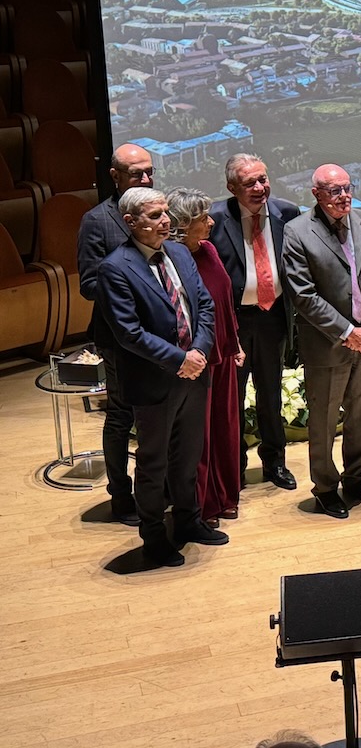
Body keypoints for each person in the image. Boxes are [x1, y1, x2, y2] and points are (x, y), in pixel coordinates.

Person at [97, 187, 223, 568]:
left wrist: (199, 351)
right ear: (130, 222)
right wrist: (180, 360)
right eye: (155, 216)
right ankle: (153, 537)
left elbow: (204, 304)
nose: (166, 221)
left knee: (188, 456)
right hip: (155, 381)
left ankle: (188, 521)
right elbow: (129, 333)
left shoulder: (180, 253)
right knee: (153, 465)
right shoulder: (115, 268)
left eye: (166, 212)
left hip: (193, 373)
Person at [282, 165, 361, 520]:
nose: (344, 196)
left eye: (348, 188)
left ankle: (357, 479)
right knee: (324, 420)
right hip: (328, 344)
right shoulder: (297, 231)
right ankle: (326, 488)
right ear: (316, 194)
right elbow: (303, 294)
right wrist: (348, 331)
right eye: (335, 191)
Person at [209, 153, 301, 492]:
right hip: (234, 324)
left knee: (271, 394)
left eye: (263, 179)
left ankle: (274, 462)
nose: (260, 188)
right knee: (232, 399)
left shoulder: (287, 213)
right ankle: (234, 467)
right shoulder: (215, 219)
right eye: (250, 183)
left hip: (273, 317)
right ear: (232, 187)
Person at [76, 142, 156, 525]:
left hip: (160, 337)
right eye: (137, 174)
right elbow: (89, 285)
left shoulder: (158, 211)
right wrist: (135, 288)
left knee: (156, 415)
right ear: (115, 176)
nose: (146, 179)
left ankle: (155, 489)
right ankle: (121, 496)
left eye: (150, 172)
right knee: (122, 416)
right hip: (120, 339)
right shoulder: (97, 221)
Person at [167, 187, 244, 527]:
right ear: (183, 224)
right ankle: (202, 504)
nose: (211, 222)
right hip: (195, 360)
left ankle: (225, 496)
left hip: (222, 355)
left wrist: (235, 343)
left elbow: (224, 301)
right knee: (198, 437)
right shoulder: (171, 261)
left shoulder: (209, 249)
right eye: (203, 218)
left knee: (226, 430)